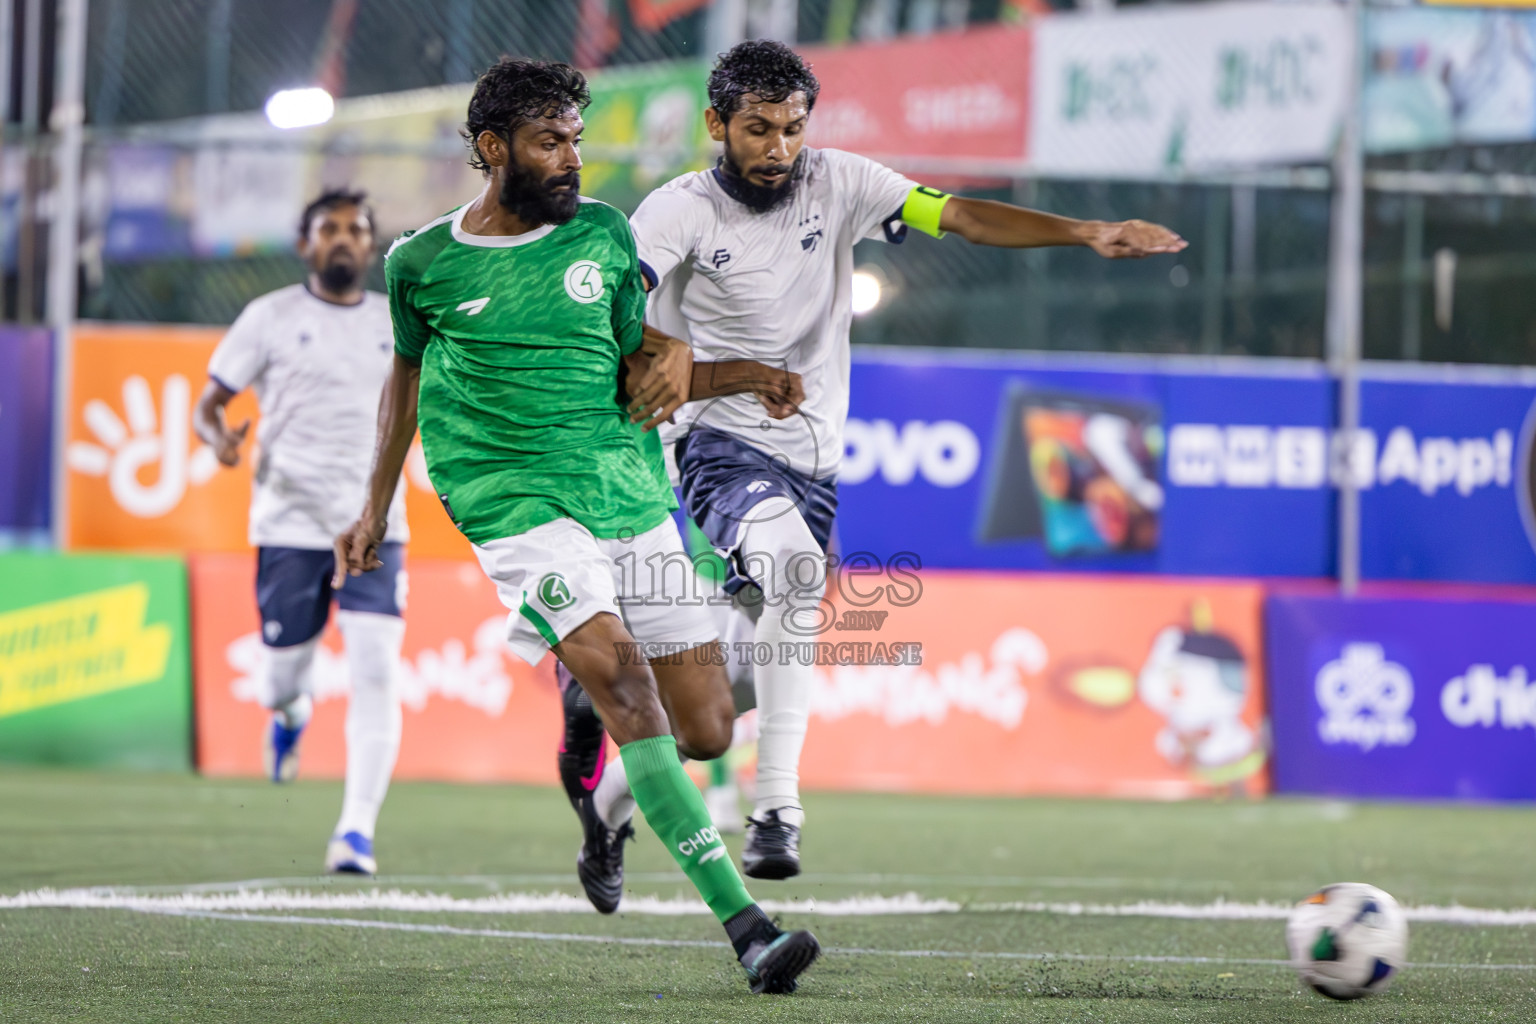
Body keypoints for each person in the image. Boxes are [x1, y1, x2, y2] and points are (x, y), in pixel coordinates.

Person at [566, 39, 1189, 881]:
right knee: (793, 575)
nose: (778, 148)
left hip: (815, 466)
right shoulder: (675, 212)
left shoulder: (843, 181)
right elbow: (614, 308)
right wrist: (655, 345)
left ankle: (610, 807)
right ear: (716, 125)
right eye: (757, 130)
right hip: (716, 447)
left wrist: (1087, 231)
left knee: (733, 692)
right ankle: (778, 809)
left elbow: (961, 215)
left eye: (791, 128)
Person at [333, 58, 818, 994]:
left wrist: (742, 370)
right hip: (515, 503)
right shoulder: (421, 264)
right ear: (491, 148)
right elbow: (401, 385)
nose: (571, 160)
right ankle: (751, 932)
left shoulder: (601, 238)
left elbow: (647, 367)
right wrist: (373, 507)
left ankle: (602, 811)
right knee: (629, 684)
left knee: (710, 730)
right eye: (550, 142)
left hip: (627, 492)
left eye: (576, 141)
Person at [194, 188, 407, 877]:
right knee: (281, 677)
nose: (343, 239)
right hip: (289, 522)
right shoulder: (270, 317)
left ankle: (355, 831)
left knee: (376, 669)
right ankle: (290, 715)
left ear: (371, 245)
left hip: (375, 522)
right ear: (305, 243)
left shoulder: (397, 323)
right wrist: (219, 438)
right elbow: (209, 407)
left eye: (355, 229)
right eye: (329, 229)